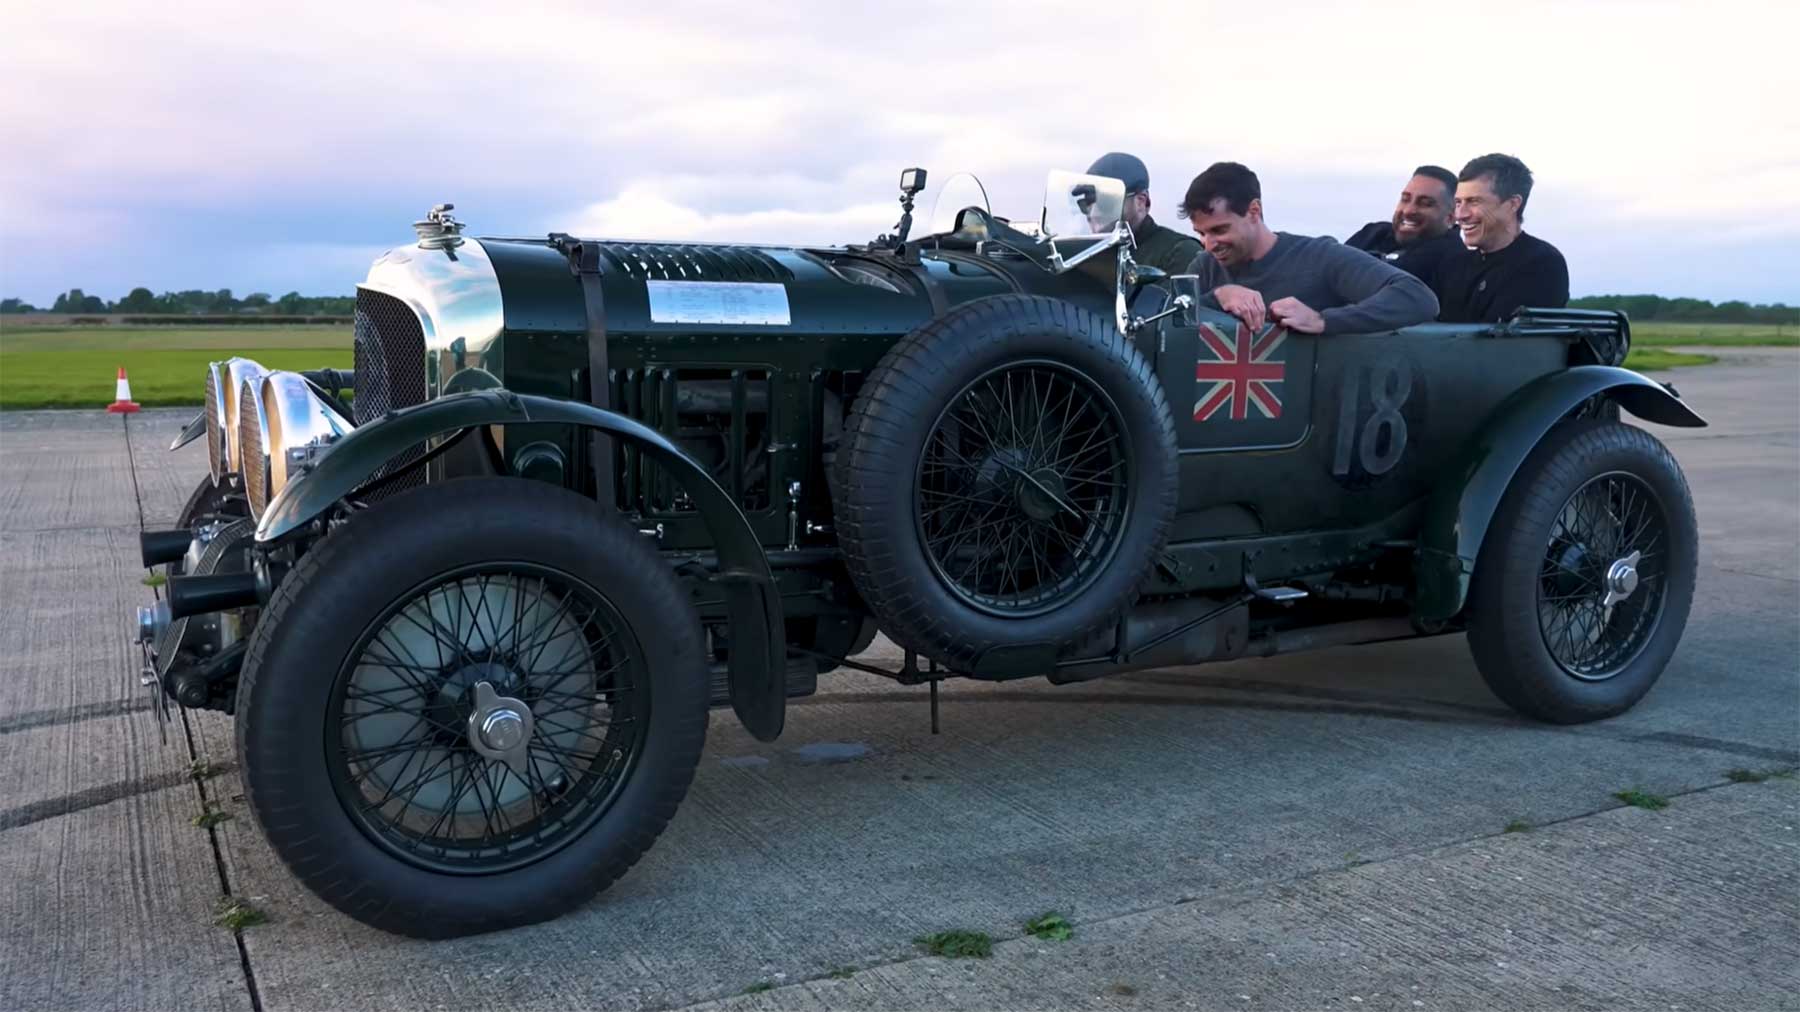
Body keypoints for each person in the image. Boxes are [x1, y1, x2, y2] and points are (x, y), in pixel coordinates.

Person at [1178, 162, 1438, 335]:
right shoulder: (1204, 267)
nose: (1209, 244)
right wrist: (1220, 295)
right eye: (1201, 233)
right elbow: (1164, 320)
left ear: (1254, 211)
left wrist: (1323, 321)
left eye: (1219, 230)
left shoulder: (1320, 258)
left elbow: (1416, 297)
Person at [1433, 153, 1569, 323]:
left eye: (1474, 201)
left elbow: (1502, 344)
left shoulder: (1541, 263)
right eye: (1458, 203)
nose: (1460, 215)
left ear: (1513, 204)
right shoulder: (1453, 264)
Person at [1085, 152, 1202, 275]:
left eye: (1105, 202)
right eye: (1086, 202)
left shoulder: (1179, 252)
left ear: (1141, 202)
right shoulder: (1082, 257)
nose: (1093, 213)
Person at [1345, 165, 1462, 285]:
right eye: (1405, 199)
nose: (1408, 210)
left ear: (1450, 218)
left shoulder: (1452, 259)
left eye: (1425, 204)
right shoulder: (1375, 232)